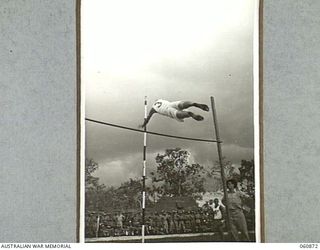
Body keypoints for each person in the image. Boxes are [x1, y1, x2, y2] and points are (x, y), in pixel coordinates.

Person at [139, 99, 209, 128]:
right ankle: (193, 104)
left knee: (178, 114)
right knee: (181, 104)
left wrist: (143, 124)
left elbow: (148, 118)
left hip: (168, 110)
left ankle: (189, 114)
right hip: (171, 104)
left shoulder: (153, 108)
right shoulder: (161, 100)